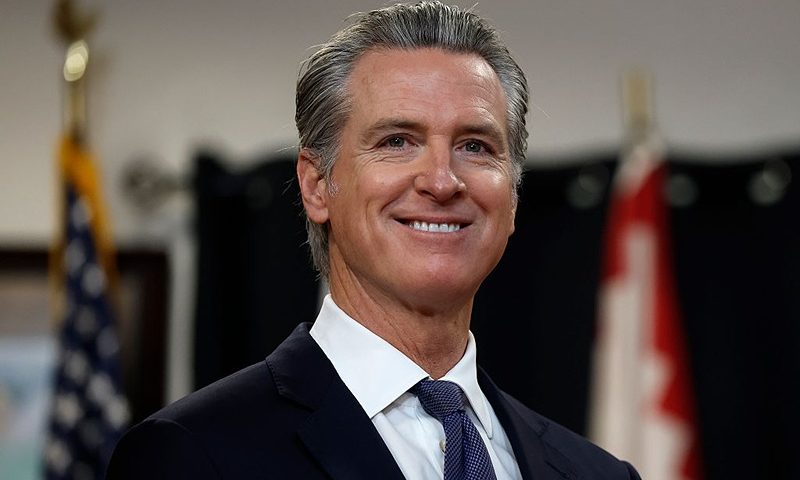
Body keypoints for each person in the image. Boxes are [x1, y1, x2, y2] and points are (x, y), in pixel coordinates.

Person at [107, 2, 640, 479]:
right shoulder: (193, 456)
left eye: (475, 146)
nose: (441, 180)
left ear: (514, 199)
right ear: (318, 187)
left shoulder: (594, 473)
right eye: (397, 141)